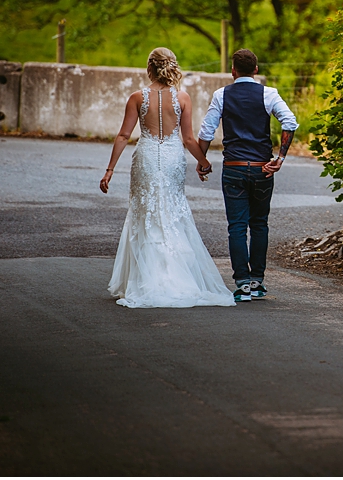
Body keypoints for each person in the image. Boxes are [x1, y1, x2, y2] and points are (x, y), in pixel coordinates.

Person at [99, 47, 235, 308]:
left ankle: (145, 279)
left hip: (147, 156)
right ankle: (175, 277)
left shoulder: (137, 97)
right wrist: (203, 161)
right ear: (171, 66)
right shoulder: (183, 98)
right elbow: (187, 139)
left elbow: (123, 136)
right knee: (170, 210)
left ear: (149, 67)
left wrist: (110, 170)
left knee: (146, 211)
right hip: (173, 157)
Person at [197, 48, 297, 303]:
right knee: (259, 224)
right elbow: (290, 122)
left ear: (233, 70)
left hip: (234, 167)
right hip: (263, 168)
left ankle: (242, 284)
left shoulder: (221, 95)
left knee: (237, 226)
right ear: (256, 70)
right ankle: (258, 281)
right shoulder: (269, 93)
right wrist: (281, 158)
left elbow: (207, 132)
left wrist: (202, 161)